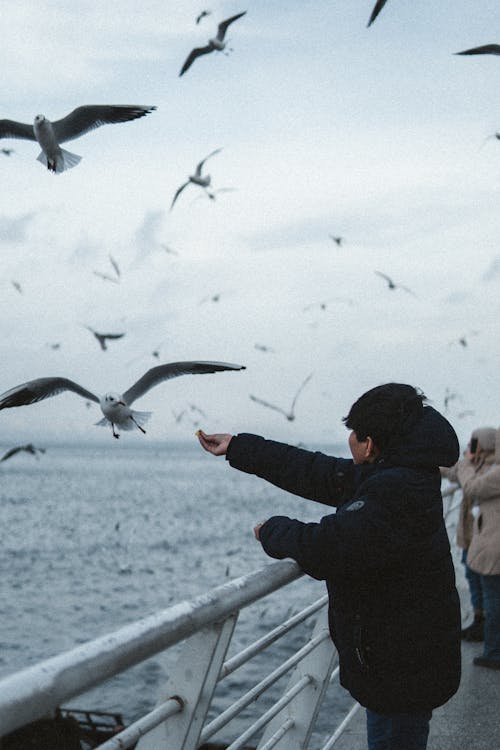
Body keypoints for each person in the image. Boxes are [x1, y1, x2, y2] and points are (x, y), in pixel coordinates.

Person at [197, 383, 461, 750]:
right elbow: (316, 471)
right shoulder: (405, 475)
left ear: (369, 444)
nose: (349, 440)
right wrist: (240, 447)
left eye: (354, 433)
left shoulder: (394, 492)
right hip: (409, 655)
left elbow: (329, 547)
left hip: (400, 666)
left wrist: (272, 530)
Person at [440, 426, 497, 642]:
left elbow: (472, 485)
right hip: (471, 537)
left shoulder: (490, 470)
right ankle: (480, 620)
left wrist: (465, 464)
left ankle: (485, 626)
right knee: (475, 581)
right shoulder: (476, 465)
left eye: (475, 442)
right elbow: (453, 471)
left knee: (484, 585)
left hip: (481, 538)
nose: (471, 447)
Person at [455, 427, 500, 670]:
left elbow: (472, 488)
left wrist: (465, 465)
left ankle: (493, 652)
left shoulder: (496, 473)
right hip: (486, 541)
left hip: (493, 546)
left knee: (494, 599)